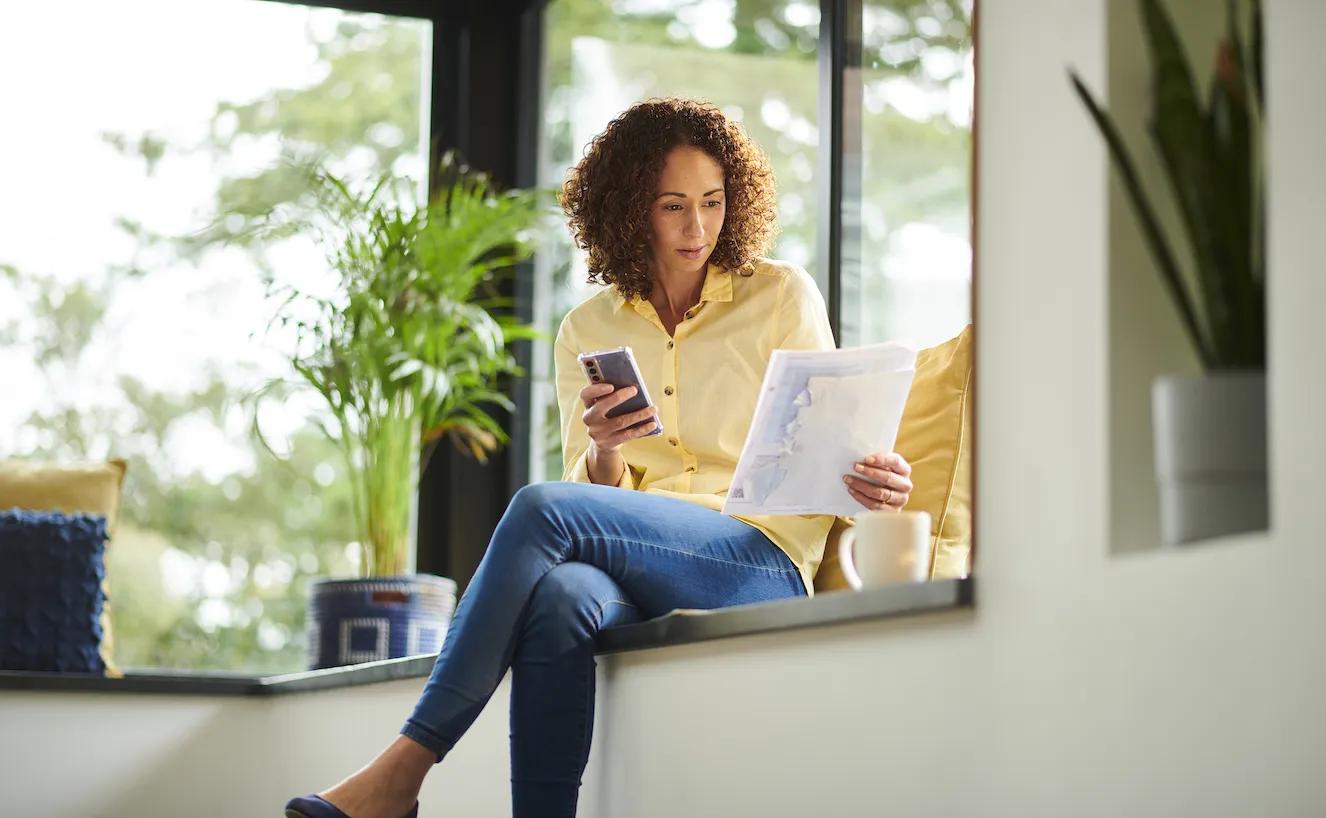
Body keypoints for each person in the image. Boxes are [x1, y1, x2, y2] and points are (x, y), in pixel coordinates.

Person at [285, 97, 914, 818]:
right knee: (558, 600)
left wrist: (872, 477)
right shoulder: (588, 326)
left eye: (712, 202)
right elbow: (592, 487)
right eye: (673, 205)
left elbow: (824, 444)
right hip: (639, 555)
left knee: (538, 509)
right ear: (628, 209)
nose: (697, 227)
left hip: (756, 559)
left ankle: (402, 769)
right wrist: (607, 448)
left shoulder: (779, 295)